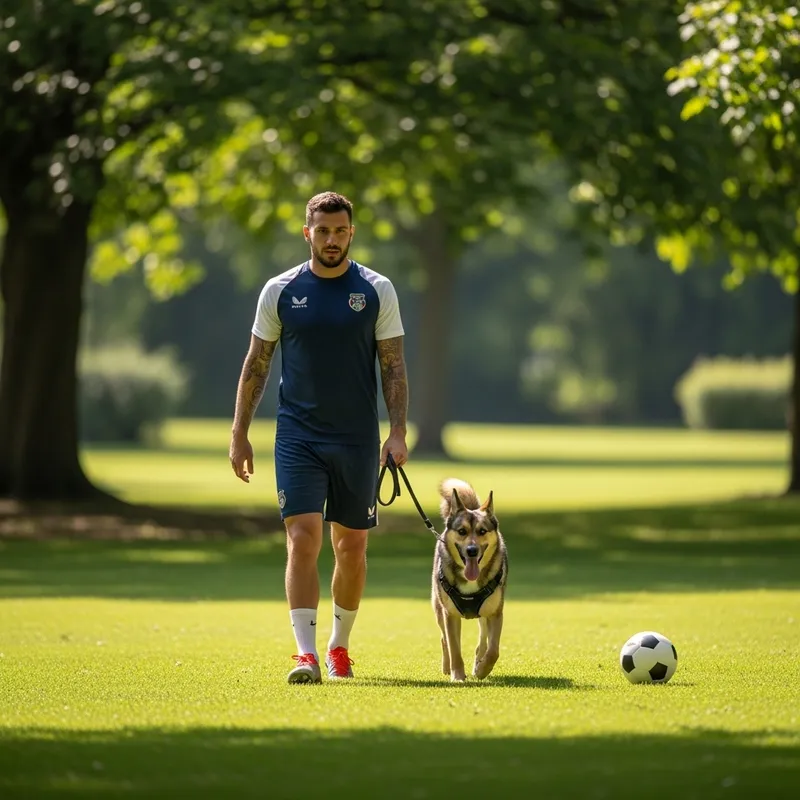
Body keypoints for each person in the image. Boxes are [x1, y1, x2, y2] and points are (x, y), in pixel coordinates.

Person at [229, 191, 409, 684]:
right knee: (302, 539)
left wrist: (396, 432)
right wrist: (239, 433)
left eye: (341, 231)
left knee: (351, 549)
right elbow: (257, 364)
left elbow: (392, 365)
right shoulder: (280, 290)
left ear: (352, 233)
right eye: (323, 231)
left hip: (356, 440)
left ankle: (339, 646)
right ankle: (305, 655)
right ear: (307, 233)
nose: (332, 239)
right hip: (297, 437)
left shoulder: (377, 289)